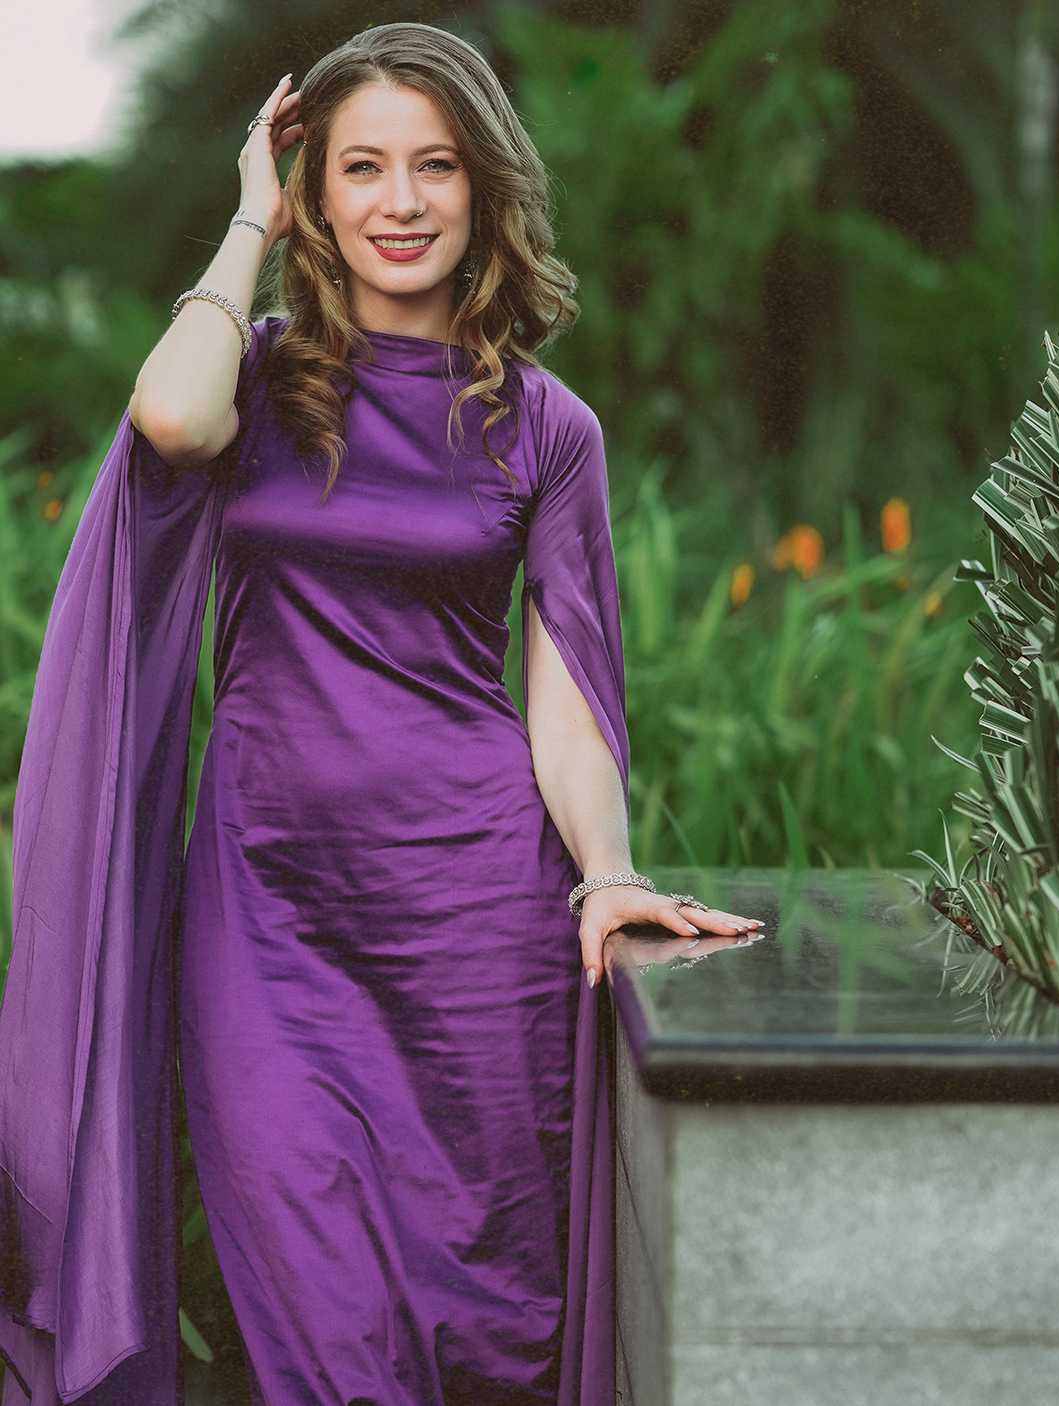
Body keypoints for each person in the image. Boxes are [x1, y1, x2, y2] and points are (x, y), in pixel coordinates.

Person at [0, 23, 758, 1406]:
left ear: (483, 188)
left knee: (492, 1328)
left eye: (436, 165)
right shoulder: (252, 377)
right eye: (362, 167)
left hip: (478, 919)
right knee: (320, 1321)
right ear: (317, 193)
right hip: (270, 921)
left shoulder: (548, 429)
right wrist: (250, 214)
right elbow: (166, 421)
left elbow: (569, 693)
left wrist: (606, 874)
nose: (401, 201)